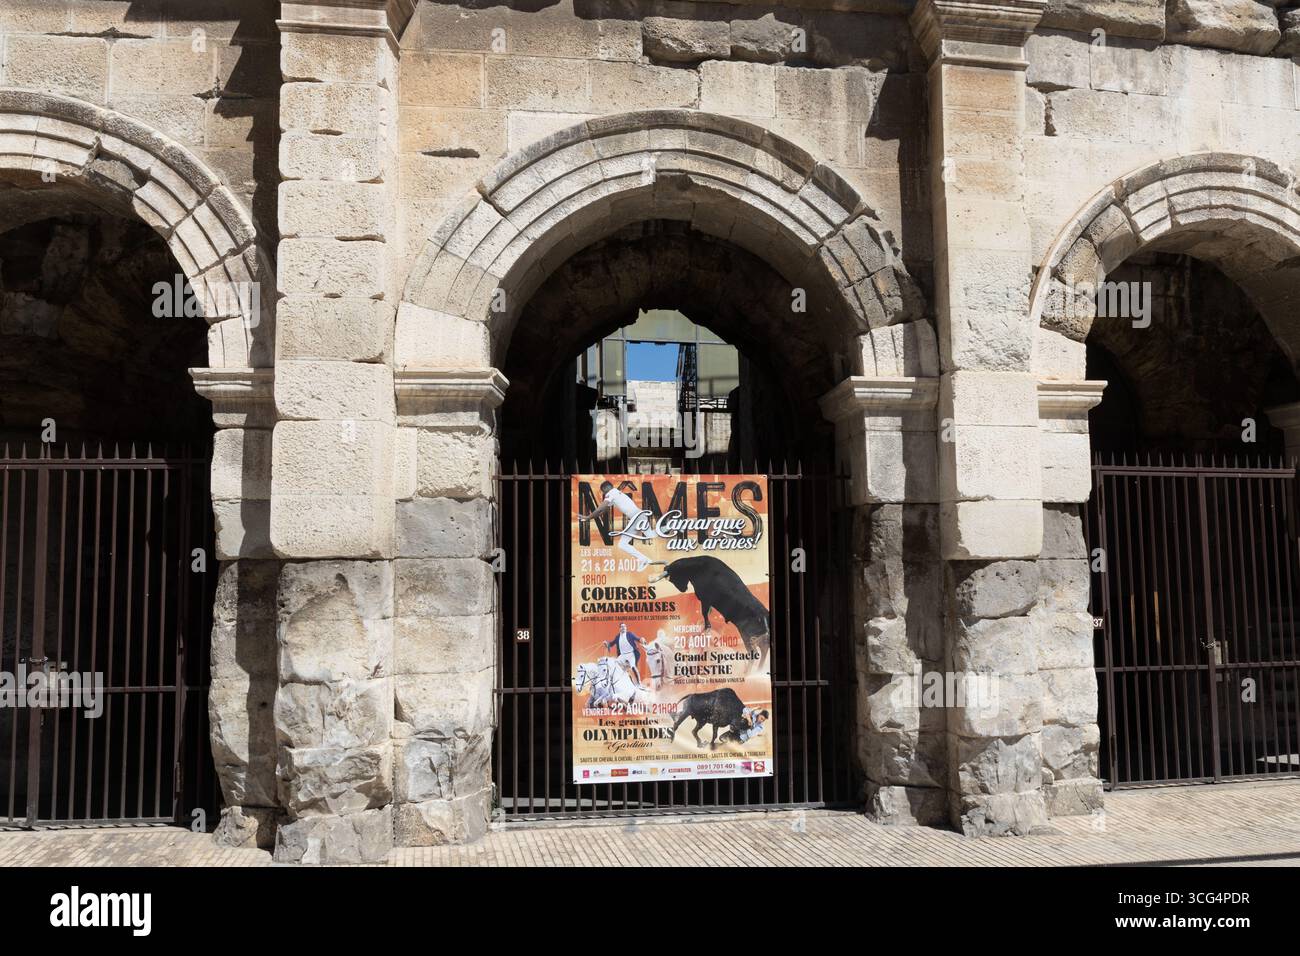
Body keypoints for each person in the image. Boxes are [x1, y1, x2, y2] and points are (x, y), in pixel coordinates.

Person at [577, 480, 666, 573]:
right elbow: (602, 511)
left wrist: (588, 517)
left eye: (603, 491)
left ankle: (644, 559)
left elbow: (600, 509)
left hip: (637, 517)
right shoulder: (616, 493)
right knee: (650, 535)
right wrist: (590, 517)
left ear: (605, 489)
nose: (603, 493)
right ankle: (645, 558)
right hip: (638, 516)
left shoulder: (611, 494)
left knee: (623, 544)